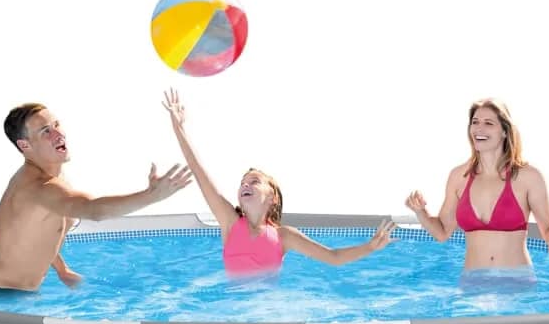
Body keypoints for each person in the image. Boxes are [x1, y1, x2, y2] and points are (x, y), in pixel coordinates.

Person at [161, 89, 394, 276]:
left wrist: (369, 247)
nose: (245, 185)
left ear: (272, 198)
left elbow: (333, 258)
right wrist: (179, 128)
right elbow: (199, 172)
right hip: (233, 307)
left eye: (254, 181)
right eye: (243, 183)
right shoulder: (230, 222)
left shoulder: (284, 236)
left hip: (266, 309)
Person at [0, 103, 193, 291]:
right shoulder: (39, 188)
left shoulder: (53, 175)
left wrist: (62, 270)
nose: (58, 134)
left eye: (56, 124)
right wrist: (151, 196)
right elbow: (94, 210)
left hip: (18, 295)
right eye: (46, 131)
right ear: (25, 145)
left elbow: (35, 234)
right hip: (1, 298)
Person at [405, 99, 549, 277]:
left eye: (488, 123)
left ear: (505, 131)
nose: (479, 129)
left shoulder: (528, 176)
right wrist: (421, 212)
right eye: (475, 122)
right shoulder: (459, 177)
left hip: (516, 282)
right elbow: (442, 232)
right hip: (472, 282)